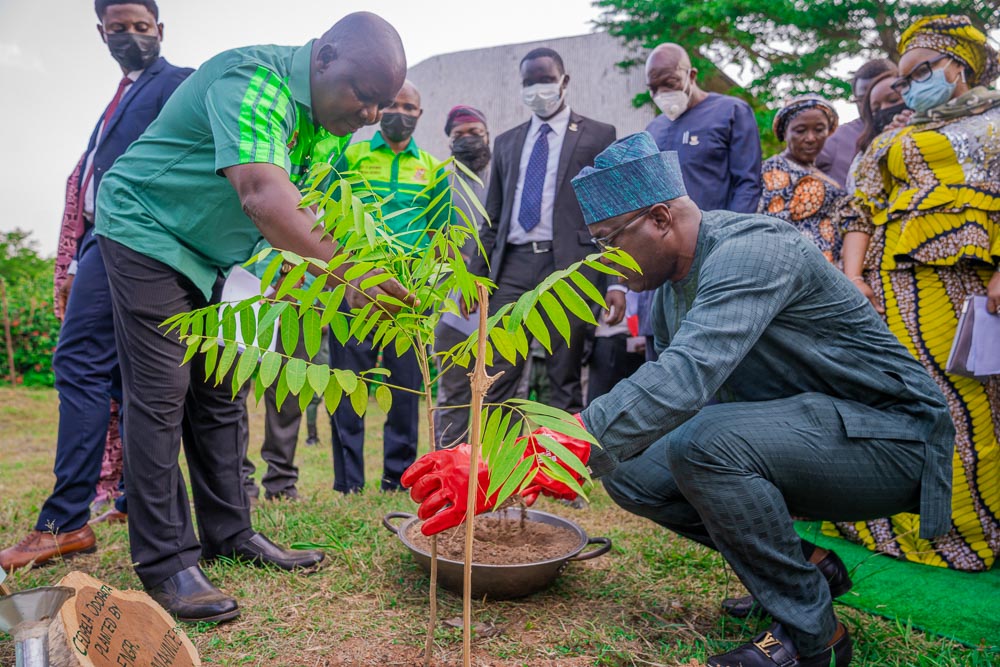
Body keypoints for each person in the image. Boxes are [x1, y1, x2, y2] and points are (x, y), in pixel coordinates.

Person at [404, 132, 954, 667]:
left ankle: (816, 638)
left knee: (705, 444)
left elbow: (685, 379)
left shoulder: (755, 249)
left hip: (891, 438)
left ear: (662, 219)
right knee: (630, 468)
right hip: (807, 435)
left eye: (609, 241)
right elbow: (659, 404)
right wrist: (527, 453)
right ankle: (807, 569)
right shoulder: (670, 291)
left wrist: (541, 450)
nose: (603, 262)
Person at [93, 12, 411, 622]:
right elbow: (264, 196)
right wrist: (357, 276)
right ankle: (165, 562)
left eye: (382, 103)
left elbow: (311, 212)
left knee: (220, 391)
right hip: (148, 230)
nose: (372, 116)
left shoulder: (324, 125)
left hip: (217, 254)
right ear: (324, 59)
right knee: (163, 391)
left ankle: (231, 533)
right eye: (364, 97)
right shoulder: (253, 80)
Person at [1, 0, 191, 573]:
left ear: (161, 29)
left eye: (141, 26)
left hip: (130, 239)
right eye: (117, 28)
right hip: (99, 248)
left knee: (79, 363)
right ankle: (131, 500)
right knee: (114, 374)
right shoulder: (118, 97)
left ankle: (64, 520)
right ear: (100, 33)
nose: (130, 36)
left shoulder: (176, 85)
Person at [835, 14, 1000, 572]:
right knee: (900, 402)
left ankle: (972, 528)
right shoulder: (896, 136)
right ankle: (890, 520)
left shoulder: (999, 123)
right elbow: (859, 209)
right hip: (887, 290)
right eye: (903, 81)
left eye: (920, 73)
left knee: (973, 407)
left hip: (973, 294)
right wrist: (854, 278)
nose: (909, 89)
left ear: (959, 66)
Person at [467, 47, 616, 413]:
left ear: (564, 81)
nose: (537, 90)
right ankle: (495, 464)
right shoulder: (507, 142)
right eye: (528, 83)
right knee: (496, 374)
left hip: (569, 269)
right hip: (512, 269)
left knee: (563, 378)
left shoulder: (598, 136)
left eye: (545, 80)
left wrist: (614, 281)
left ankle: (562, 467)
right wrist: (474, 275)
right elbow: (492, 217)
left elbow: (613, 212)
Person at [328, 81, 451, 492]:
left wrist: (432, 289)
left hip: (410, 295)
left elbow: (439, 234)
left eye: (410, 106)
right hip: (357, 288)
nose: (401, 113)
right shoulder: (352, 155)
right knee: (349, 386)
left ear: (421, 113)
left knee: (404, 389)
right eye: (394, 105)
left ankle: (397, 481)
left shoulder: (434, 169)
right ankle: (348, 483)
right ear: (380, 110)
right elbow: (328, 215)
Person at [614, 43, 762, 360]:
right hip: (662, 269)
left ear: (691, 74)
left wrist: (729, 246)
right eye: (653, 88)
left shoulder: (732, 112)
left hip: (712, 260)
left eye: (668, 83)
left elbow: (748, 184)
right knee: (662, 355)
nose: (661, 93)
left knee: (710, 352)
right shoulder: (653, 129)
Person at [433, 105, 491, 449]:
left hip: (498, 297)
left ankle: (491, 466)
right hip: (453, 302)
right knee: (453, 387)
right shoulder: (442, 179)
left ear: (487, 134)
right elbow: (433, 233)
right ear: (448, 141)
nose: (468, 140)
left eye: (475, 133)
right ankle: (449, 462)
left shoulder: (505, 172)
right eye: (459, 135)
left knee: (499, 385)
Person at [758, 96, 845, 264]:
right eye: (800, 130)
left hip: (829, 269)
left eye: (819, 129)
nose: (811, 138)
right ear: (785, 133)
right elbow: (773, 225)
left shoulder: (820, 173)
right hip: (800, 267)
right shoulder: (778, 166)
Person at [815, 58, 897, 187]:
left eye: (891, 99)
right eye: (863, 99)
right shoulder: (838, 138)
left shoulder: (925, 126)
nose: (871, 104)